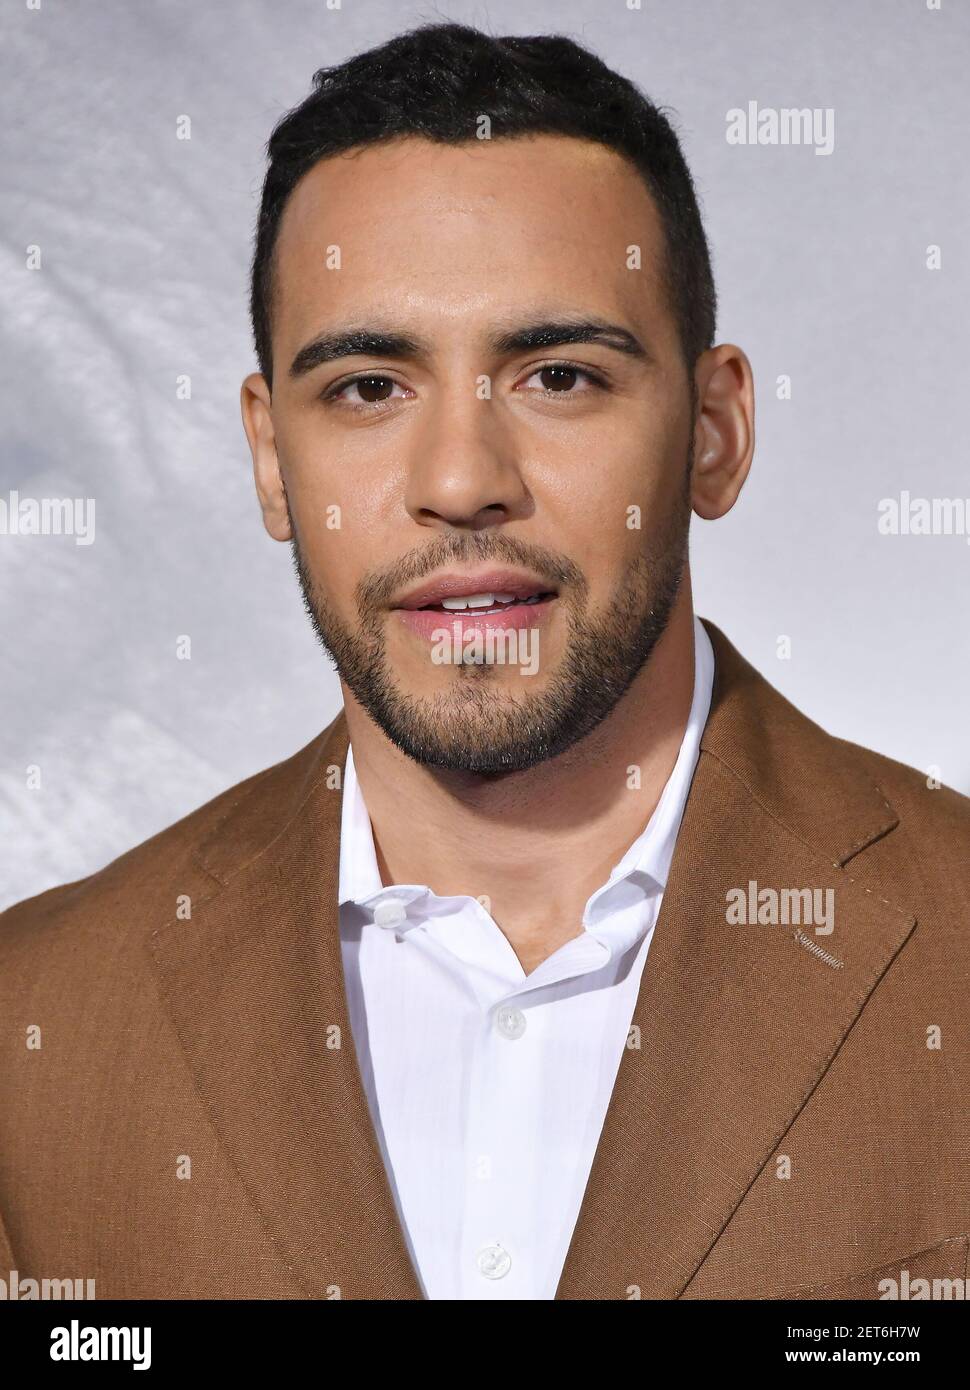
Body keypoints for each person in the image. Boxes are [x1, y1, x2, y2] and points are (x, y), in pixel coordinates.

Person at [2, 21, 967, 1302]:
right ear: (269, 458)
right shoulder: (39, 1027)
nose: (461, 481)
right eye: (364, 387)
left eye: (558, 376)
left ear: (716, 432)